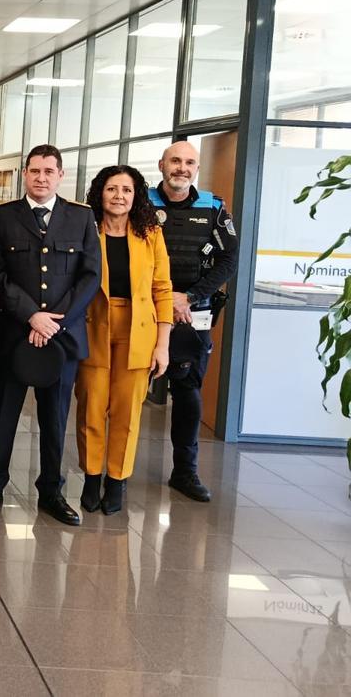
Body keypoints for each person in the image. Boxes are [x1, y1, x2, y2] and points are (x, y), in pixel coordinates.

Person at [0, 145, 100, 526]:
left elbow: (90, 276)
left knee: (54, 418)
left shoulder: (81, 217)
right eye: (34, 171)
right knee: (4, 414)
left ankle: (51, 491)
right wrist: (32, 316)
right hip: (15, 335)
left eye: (49, 171)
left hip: (62, 338)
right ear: (24, 175)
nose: (41, 178)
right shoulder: (3, 216)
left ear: (61, 175)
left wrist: (54, 321)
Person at [76, 165, 173, 515]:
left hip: (138, 330)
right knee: (92, 406)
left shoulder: (150, 234)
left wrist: (162, 344)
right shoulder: (87, 229)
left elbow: (162, 289)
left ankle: (117, 480)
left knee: (126, 411)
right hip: (93, 327)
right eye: (112, 189)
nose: (119, 196)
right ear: (100, 193)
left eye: (127, 190)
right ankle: (91, 476)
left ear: (136, 196)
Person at [147, 140, 239, 503]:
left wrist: (191, 296)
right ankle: (113, 471)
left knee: (187, 392)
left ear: (196, 169)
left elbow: (229, 260)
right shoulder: (141, 204)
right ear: (162, 165)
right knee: (128, 391)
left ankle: (185, 471)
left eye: (189, 162)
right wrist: (162, 299)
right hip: (147, 311)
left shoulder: (213, 207)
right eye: (175, 161)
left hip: (192, 313)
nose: (181, 168)